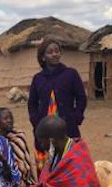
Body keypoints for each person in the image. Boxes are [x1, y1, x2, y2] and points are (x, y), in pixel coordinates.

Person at [28, 39, 88, 171]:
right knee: (45, 168)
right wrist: (35, 120)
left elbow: (81, 97)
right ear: (43, 57)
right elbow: (31, 103)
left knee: (70, 164)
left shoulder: (71, 74)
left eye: (57, 51)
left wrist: (77, 117)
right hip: (44, 130)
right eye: (50, 52)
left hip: (67, 127)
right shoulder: (38, 78)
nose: (55, 54)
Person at [0, 107, 36, 187]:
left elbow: (27, 158)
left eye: (11, 117)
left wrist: (35, 180)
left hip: (25, 180)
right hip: (6, 181)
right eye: (5, 118)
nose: (9, 120)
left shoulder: (19, 135)